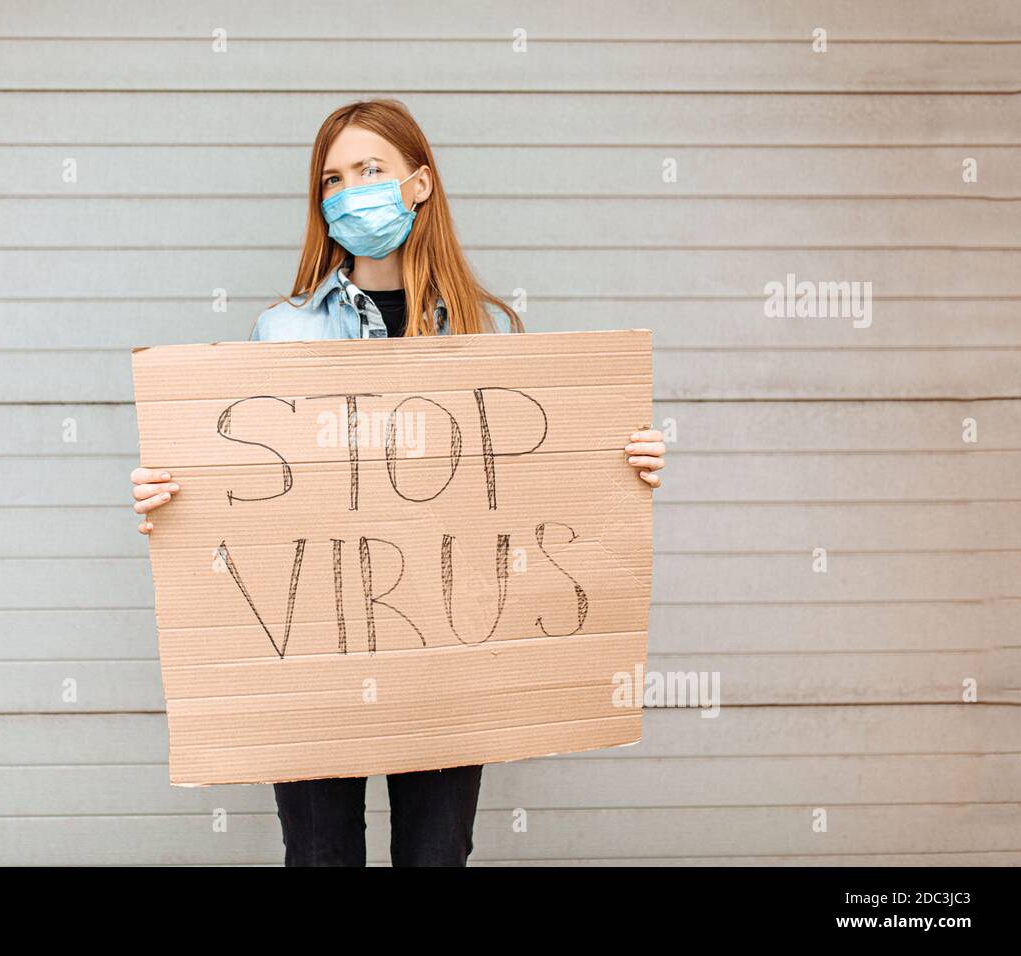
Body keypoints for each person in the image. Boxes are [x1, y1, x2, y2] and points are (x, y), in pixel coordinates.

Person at [130, 98, 666, 866]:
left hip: (448, 652)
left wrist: (621, 466)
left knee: (436, 856)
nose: (351, 192)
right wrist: (171, 501)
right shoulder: (280, 332)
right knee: (321, 858)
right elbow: (245, 497)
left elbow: (537, 486)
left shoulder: (487, 336)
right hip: (312, 652)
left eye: (371, 170)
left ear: (419, 183)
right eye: (333, 179)